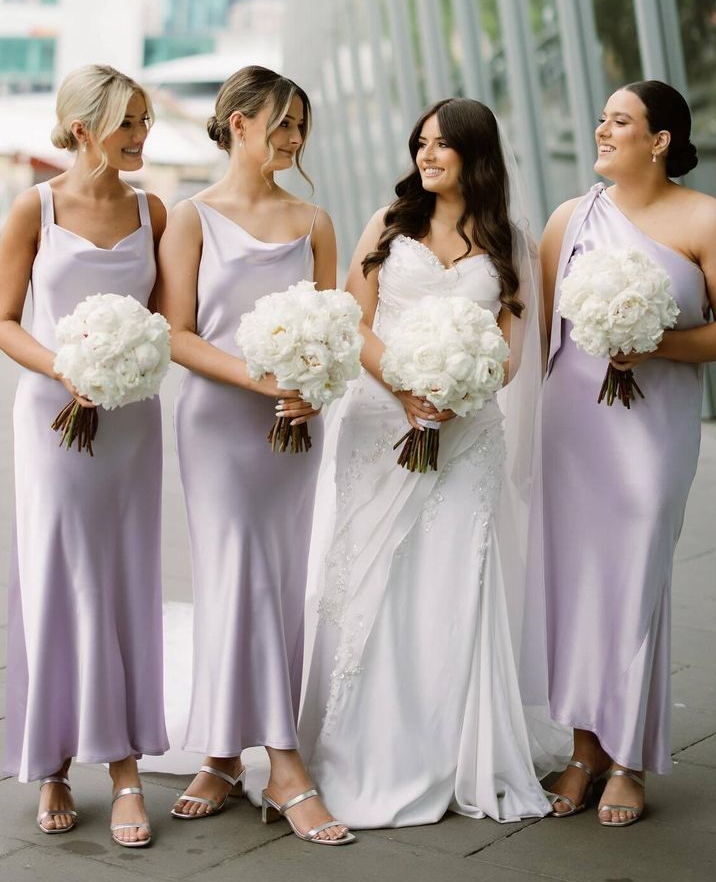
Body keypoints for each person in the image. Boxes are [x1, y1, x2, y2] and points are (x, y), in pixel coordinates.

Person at [298, 97, 565, 828]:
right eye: (421, 143)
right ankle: (363, 748)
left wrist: (458, 393)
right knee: (376, 576)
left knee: (451, 581)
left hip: (467, 431)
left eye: (443, 145)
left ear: (476, 154)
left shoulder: (507, 241)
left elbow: (510, 354)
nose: (428, 155)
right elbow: (352, 320)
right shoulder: (390, 225)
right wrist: (411, 391)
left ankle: (451, 746)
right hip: (383, 423)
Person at [158, 65, 353, 845]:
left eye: (300, 126)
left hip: (292, 430)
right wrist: (264, 375)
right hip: (218, 426)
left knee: (276, 578)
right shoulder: (190, 217)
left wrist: (315, 387)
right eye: (280, 124)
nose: (293, 138)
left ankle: (219, 752)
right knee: (233, 574)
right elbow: (177, 335)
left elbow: (334, 334)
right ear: (236, 122)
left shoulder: (316, 222)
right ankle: (281, 759)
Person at [539, 80, 716, 826]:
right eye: (601, 119)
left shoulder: (707, 218)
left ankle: (628, 757)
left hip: (654, 428)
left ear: (659, 140)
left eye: (619, 121)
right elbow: (542, 330)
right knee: (580, 582)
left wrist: (656, 343)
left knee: (638, 577)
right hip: (575, 425)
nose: (602, 130)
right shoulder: (570, 217)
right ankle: (584, 748)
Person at [0, 64, 168, 847]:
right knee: (60, 578)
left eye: (144, 121)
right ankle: (56, 762)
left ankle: (126, 765)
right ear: (81, 129)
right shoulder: (33, 208)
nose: (142, 135)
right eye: (128, 123)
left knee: (126, 577)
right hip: (53, 415)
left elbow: (170, 328)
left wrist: (128, 370)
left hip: (131, 420)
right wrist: (65, 368)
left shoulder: (154, 210)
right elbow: (5, 320)